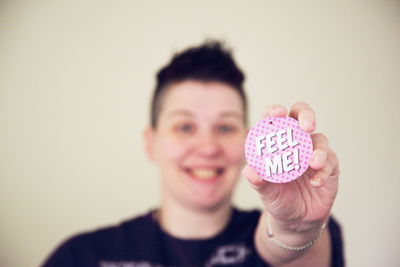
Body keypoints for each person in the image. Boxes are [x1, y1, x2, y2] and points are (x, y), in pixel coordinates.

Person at [42, 41, 344, 267]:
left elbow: (286, 246)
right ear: (151, 143)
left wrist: (296, 229)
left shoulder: (305, 232)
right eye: (185, 127)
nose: (208, 147)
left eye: (225, 127)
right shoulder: (82, 256)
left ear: (248, 142)